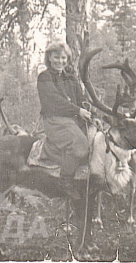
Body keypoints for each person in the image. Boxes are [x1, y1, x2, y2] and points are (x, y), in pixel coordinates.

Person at [37, 42, 92, 200]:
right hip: (55, 120)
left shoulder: (70, 78)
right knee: (81, 146)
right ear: (49, 58)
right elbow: (54, 101)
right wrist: (78, 111)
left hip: (72, 120)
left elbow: (81, 99)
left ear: (67, 59)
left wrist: (89, 112)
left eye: (63, 58)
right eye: (56, 57)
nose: (60, 61)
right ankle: (65, 180)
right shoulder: (44, 77)